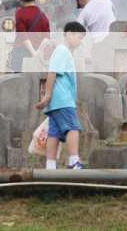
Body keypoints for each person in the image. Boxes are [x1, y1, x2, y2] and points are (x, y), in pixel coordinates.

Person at [33, 21, 87, 170]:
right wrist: (48, 95)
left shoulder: (63, 51)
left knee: (54, 133)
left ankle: (50, 166)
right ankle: (74, 161)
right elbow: (53, 72)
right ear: (68, 34)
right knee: (73, 128)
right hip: (62, 99)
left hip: (58, 101)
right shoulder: (62, 50)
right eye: (78, 36)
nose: (79, 41)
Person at [11, 0, 50, 72]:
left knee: (20, 81)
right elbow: (47, 37)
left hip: (21, 51)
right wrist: (38, 52)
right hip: (39, 54)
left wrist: (32, 52)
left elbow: (22, 35)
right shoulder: (43, 15)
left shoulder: (20, 13)